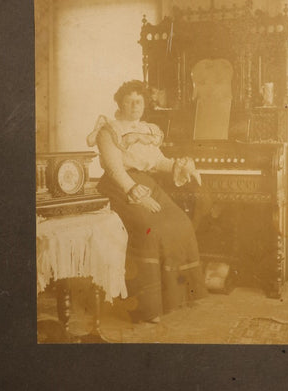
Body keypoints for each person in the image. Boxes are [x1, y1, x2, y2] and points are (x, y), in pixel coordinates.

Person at [87, 80, 207, 323]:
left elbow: (157, 161)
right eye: (130, 101)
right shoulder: (108, 130)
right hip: (119, 187)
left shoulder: (147, 130)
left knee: (180, 223)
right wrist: (134, 192)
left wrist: (179, 166)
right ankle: (148, 307)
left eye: (139, 101)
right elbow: (114, 169)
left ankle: (179, 296)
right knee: (150, 229)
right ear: (120, 103)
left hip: (146, 183)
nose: (135, 106)